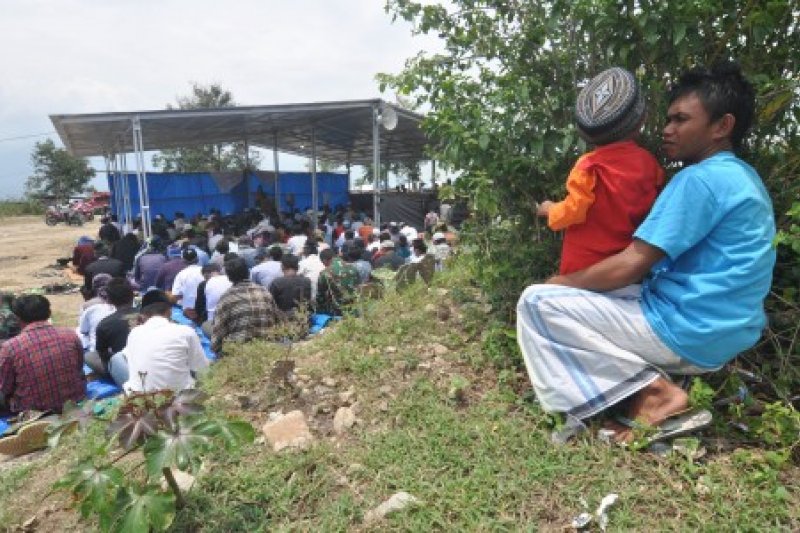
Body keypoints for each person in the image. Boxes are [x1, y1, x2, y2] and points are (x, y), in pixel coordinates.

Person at [516, 62, 776, 442]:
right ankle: (649, 385)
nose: (668, 130)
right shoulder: (743, 177)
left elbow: (631, 264)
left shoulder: (699, 180)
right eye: (668, 119)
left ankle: (655, 395)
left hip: (689, 329)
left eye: (681, 120)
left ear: (722, 126)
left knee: (538, 303)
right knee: (598, 292)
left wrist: (560, 281)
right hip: (728, 328)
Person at [535, 67, 665, 275]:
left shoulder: (589, 166)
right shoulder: (650, 164)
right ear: (641, 120)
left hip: (583, 270)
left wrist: (549, 209)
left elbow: (573, 211)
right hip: (624, 271)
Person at [0, 295, 85, 414]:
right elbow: (79, 368)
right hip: (74, 401)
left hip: (33, 412)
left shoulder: (11, 347)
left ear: (18, 318)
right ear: (49, 313)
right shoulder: (70, 335)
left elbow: (4, 388)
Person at [124, 301, 209, 393]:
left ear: (142, 316)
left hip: (141, 397)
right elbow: (202, 369)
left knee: (118, 359)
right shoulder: (185, 331)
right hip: (180, 397)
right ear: (170, 312)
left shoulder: (134, 333)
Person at [212, 256, 281, 353]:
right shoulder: (264, 291)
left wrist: (216, 348)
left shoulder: (226, 298)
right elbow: (278, 319)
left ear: (229, 277)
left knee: (206, 326)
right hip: (268, 344)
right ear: (248, 272)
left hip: (240, 349)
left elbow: (218, 331)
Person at [89, 277, 138, 386]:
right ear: (132, 295)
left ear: (109, 300)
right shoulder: (147, 315)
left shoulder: (105, 324)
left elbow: (103, 355)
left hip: (126, 370)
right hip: (150, 365)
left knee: (89, 356)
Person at [316, 248, 360, 316]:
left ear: (324, 260)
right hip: (354, 307)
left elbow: (321, 297)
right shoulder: (353, 268)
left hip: (338, 311)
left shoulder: (325, 273)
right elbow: (358, 286)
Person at [171, 248, 204, 320]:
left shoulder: (181, 274)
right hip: (204, 311)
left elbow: (175, 296)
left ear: (183, 261)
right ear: (197, 259)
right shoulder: (205, 271)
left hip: (188, 312)